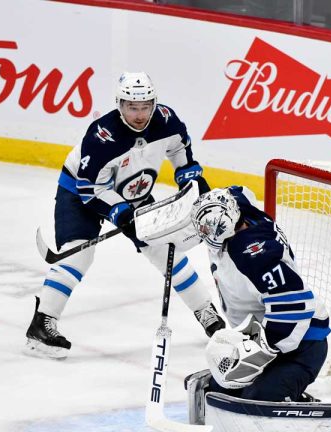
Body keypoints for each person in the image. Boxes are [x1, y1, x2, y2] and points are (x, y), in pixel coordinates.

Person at [24, 72, 225, 359]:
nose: (140, 114)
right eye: (132, 106)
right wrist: (121, 214)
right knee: (77, 256)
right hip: (81, 192)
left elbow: (181, 153)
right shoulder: (101, 135)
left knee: (164, 249)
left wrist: (191, 181)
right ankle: (42, 323)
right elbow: (89, 189)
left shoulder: (167, 121)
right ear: (119, 104)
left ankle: (206, 312)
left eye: (145, 106)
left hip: (134, 191)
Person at [189, 186, 331, 402]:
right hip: (261, 333)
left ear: (223, 227)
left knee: (257, 400)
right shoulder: (241, 208)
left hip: (301, 344)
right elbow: (241, 190)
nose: (202, 233)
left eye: (207, 228)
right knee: (216, 392)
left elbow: (295, 307)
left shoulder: (254, 257)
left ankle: (294, 401)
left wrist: (261, 351)